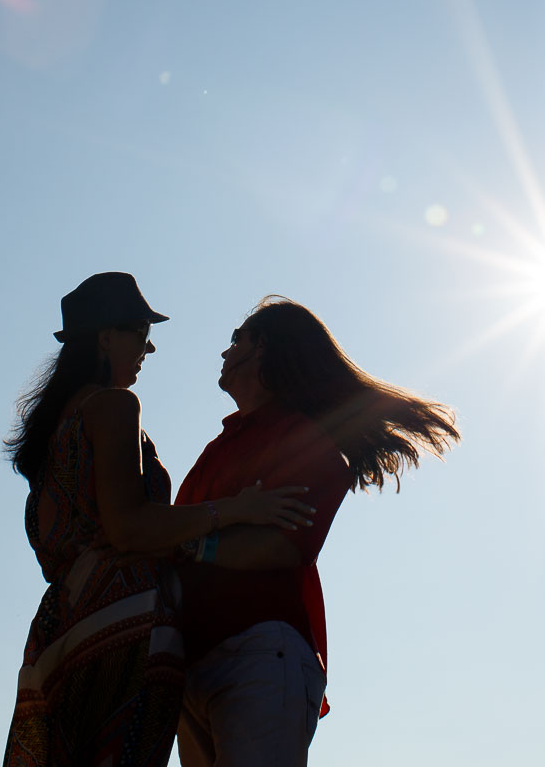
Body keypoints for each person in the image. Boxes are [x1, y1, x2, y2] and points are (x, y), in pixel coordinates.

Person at [4, 273, 314, 767]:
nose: (148, 349)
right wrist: (234, 510)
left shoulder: (55, 431)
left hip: (61, 634)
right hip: (120, 631)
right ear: (107, 336)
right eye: (140, 335)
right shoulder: (113, 405)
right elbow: (130, 527)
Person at [173, 297, 460, 767]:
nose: (224, 353)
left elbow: (281, 547)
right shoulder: (219, 446)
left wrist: (187, 541)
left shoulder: (307, 442)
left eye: (236, 340)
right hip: (193, 664)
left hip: (257, 655)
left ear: (264, 349)